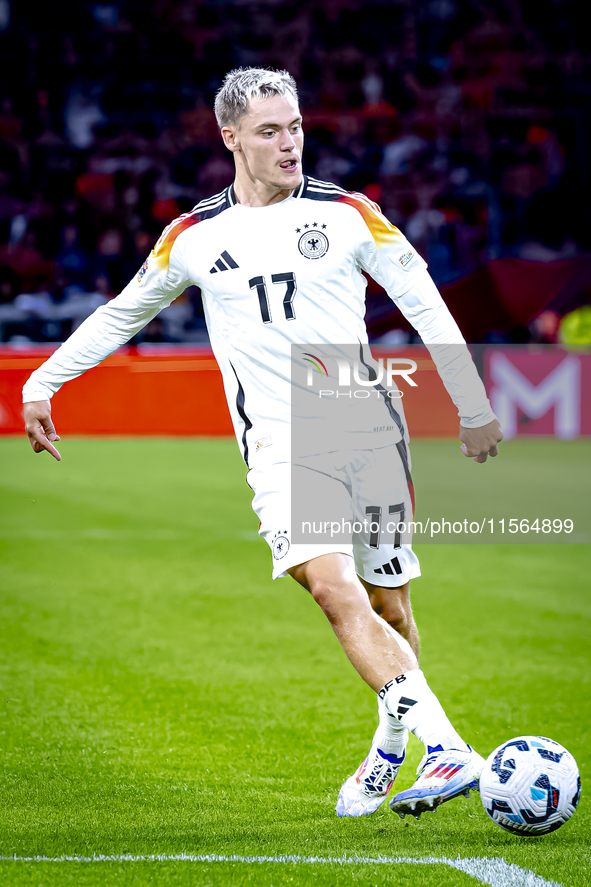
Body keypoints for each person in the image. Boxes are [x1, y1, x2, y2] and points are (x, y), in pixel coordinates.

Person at [23, 68, 503, 820]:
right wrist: (39, 383)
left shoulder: (350, 213)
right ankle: (446, 747)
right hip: (283, 439)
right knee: (335, 589)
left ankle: (388, 749)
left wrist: (470, 401)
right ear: (230, 138)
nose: (290, 143)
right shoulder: (191, 236)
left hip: (366, 418)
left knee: (390, 604)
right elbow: (121, 314)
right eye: (271, 131)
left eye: (297, 127)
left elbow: (421, 298)